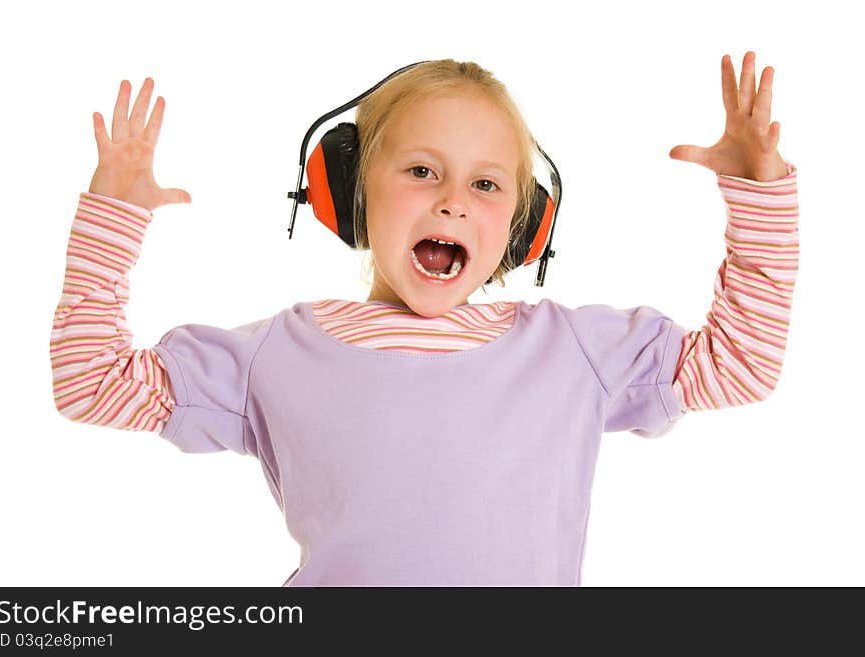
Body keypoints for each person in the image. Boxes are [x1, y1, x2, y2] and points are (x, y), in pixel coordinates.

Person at [51, 55, 798, 586]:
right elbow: (91, 384)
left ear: (522, 225)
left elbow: (740, 364)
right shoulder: (278, 352)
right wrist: (112, 213)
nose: (453, 200)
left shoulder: (574, 351)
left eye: (485, 183)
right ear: (347, 192)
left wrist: (757, 195)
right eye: (420, 170)